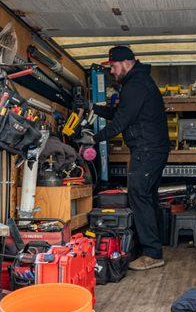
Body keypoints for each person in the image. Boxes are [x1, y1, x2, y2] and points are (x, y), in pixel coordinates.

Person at [73, 46, 170, 271]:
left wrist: (93, 139)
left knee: (138, 194)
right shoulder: (136, 83)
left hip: (147, 149)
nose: (112, 72)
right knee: (147, 196)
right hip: (150, 149)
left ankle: (153, 254)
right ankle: (155, 247)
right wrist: (93, 108)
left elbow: (119, 123)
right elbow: (120, 113)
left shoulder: (135, 85)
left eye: (114, 67)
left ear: (126, 63)